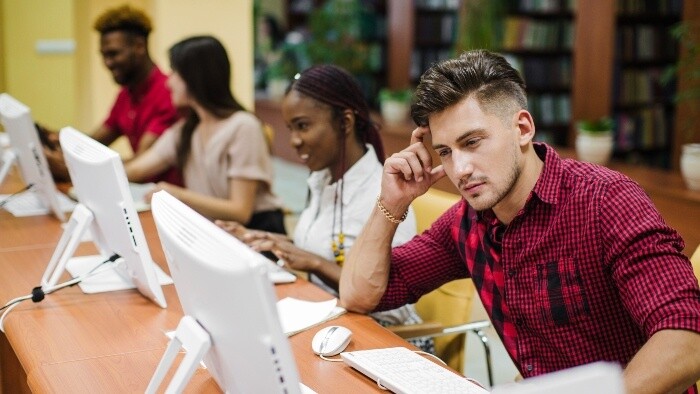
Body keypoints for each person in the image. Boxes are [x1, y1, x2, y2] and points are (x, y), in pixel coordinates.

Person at [339, 50, 700, 393]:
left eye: (473, 142)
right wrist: (390, 203)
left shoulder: (605, 201)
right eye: (446, 152)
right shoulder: (467, 222)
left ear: (523, 128)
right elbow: (360, 294)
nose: (460, 170)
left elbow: (687, 337)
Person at [219, 65, 431, 350]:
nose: (294, 140)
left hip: (385, 341)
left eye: (303, 126)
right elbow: (331, 247)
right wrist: (264, 240)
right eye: (291, 128)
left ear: (345, 122)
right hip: (333, 326)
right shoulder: (323, 180)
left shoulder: (385, 195)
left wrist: (314, 263)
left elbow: (392, 303)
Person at [125, 35, 285, 234]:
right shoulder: (186, 130)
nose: (168, 83)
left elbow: (240, 211)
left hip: (256, 236)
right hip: (216, 234)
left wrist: (176, 194)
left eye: (175, 73)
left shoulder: (244, 127)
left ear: (195, 78)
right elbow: (136, 170)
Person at [44, 4, 179, 183]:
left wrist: (75, 169)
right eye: (103, 55)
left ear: (139, 46)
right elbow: (94, 141)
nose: (107, 63)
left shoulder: (167, 94)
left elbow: (142, 162)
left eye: (114, 54)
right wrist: (55, 138)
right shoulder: (126, 94)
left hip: (162, 198)